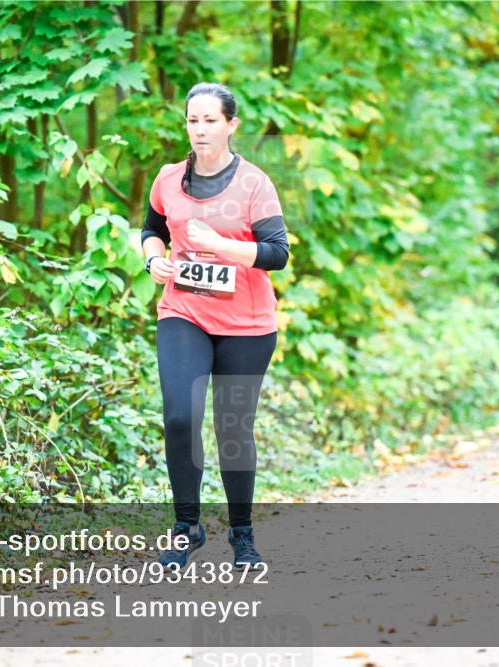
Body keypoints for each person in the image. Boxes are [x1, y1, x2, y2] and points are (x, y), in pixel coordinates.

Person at [140, 82, 290, 569]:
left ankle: (243, 537)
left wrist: (222, 245)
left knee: (232, 428)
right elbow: (153, 229)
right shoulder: (167, 178)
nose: (200, 129)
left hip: (246, 324)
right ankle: (187, 528)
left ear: (231, 125)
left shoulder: (254, 183)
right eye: (192, 120)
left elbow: (277, 254)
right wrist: (154, 260)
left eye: (210, 120)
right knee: (181, 416)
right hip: (184, 311)